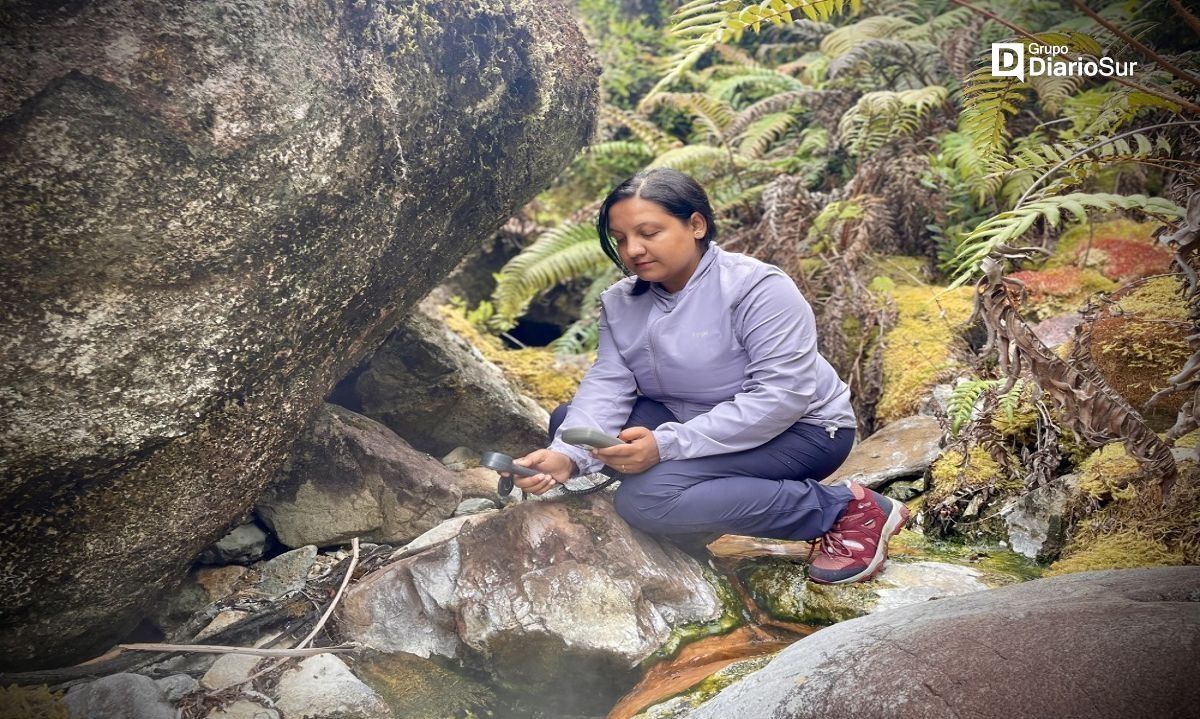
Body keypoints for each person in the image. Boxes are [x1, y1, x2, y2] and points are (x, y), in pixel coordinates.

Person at [505, 168, 908, 584]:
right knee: (571, 427)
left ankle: (845, 509)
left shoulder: (758, 288)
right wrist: (565, 458)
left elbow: (781, 397)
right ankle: (693, 513)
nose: (633, 250)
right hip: (690, 420)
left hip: (800, 430)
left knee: (646, 501)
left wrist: (664, 446)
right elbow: (609, 382)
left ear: (696, 225)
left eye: (649, 232)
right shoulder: (621, 302)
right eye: (620, 238)